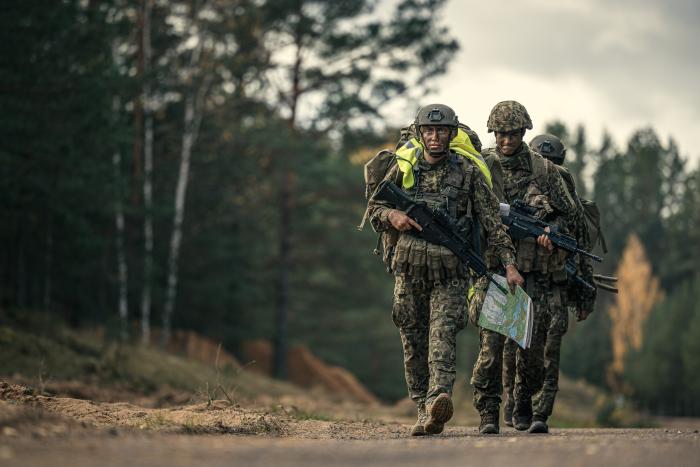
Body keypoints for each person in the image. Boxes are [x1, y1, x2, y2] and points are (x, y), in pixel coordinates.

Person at [367, 104, 523, 436]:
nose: (435, 137)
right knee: (412, 341)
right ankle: (424, 407)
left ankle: (439, 398)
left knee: (442, 338)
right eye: (428, 131)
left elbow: (493, 224)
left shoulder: (467, 173)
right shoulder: (404, 166)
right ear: (420, 133)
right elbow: (375, 206)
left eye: (441, 131)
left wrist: (510, 266)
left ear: (451, 135)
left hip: (450, 274)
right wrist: (391, 216)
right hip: (408, 272)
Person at [482, 101, 581, 433]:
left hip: (536, 271)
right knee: (493, 347)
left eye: (511, 134)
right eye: (500, 134)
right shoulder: (483, 164)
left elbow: (573, 216)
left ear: (523, 132)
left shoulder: (544, 170)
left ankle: (524, 401)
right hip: (496, 269)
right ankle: (488, 414)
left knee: (532, 350)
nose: (506, 140)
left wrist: (553, 234)